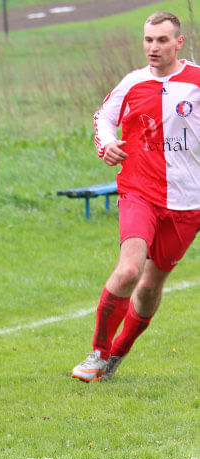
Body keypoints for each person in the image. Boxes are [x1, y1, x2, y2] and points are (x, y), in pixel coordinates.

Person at [72, 12, 200, 382]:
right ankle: (97, 353)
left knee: (148, 286)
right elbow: (103, 118)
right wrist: (107, 144)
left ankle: (118, 353)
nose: (153, 48)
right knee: (129, 269)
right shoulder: (132, 83)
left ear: (179, 42)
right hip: (139, 191)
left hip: (187, 202)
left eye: (161, 40)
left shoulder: (196, 82)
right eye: (148, 40)